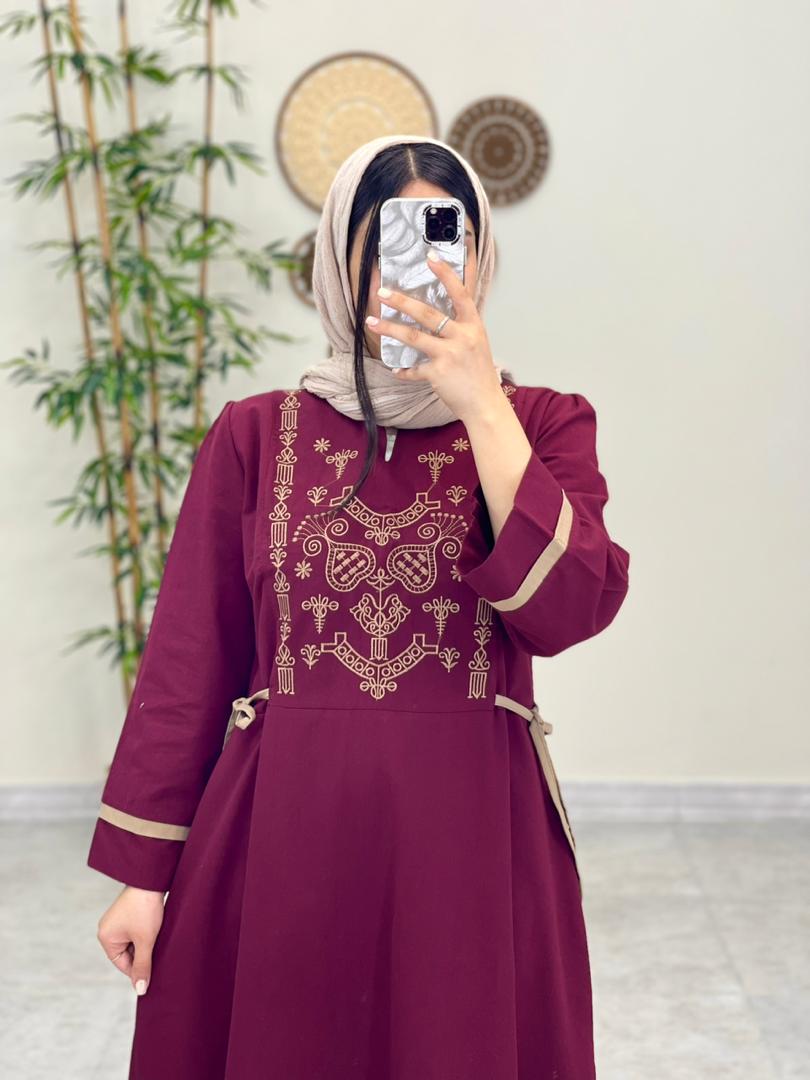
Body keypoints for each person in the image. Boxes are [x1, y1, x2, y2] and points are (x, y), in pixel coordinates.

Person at [88, 133, 631, 1079]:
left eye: (442, 243)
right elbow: (187, 662)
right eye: (382, 244)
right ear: (338, 260)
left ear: (480, 262)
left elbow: (570, 607)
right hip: (280, 837)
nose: (409, 274)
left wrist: (482, 405)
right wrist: (143, 876)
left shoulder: (542, 425)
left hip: (473, 844)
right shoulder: (255, 434)